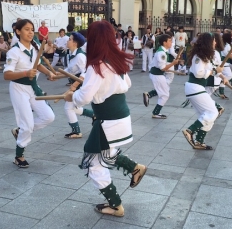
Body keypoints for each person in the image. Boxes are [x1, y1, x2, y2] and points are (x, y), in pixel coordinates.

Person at [63, 20, 146, 217]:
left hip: (108, 121)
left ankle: (115, 204)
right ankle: (135, 168)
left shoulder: (97, 65)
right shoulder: (116, 62)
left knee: (93, 164)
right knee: (107, 154)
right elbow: (126, 84)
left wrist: (71, 96)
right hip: (121, 118)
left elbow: (84, 98)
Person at [3, 19, 56, 168]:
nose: (31, 32)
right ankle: (19, 155)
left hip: (33, 87)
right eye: (26, 29)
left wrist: (48, 73)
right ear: (18, 32)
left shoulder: (36, 47)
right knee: (27, 124)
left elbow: (37, 64)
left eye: (32, 29)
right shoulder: (13, 51)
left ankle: (20, 131)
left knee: (49, 117)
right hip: (19, 89)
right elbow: (7, 75)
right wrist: (25, 72)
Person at [182, 33, 224, 150]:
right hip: (195, 87)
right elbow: (198, 73)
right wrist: (214, 70)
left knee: (208, 115)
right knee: (213, 112)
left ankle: (199, 141)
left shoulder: (204, 56)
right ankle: (190, 130)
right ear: (208, 42)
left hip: (197, 88)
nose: (215, 43)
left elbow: (209, 70)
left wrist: (217, 72)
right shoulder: (199, 56)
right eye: (213, 41)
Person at [53, 32, 94, 138]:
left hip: (81, 85)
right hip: (76, 84)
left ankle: (77, 131)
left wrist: (75, 85)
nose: (67, 41)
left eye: (70, 39)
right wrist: (56, 75)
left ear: (75, 43)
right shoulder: (71, 54)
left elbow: (86, 72)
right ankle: (94, 115)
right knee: (72, 107)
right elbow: (69, 70)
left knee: (68, 107)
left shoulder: (80, 56)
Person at [142, 34, 180, 118]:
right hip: (157, 75)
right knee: (165, 94)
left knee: (165, 90)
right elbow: (163, 68)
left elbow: (163, 67)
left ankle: (149, 95)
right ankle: (156, 112)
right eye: (169, 41)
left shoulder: (163, 52)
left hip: (157, 74)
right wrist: (173, 63)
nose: (171, 42)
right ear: (164, 42)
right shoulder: (162, 53)